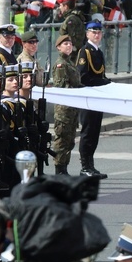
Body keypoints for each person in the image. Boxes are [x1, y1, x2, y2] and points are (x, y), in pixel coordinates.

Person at [76, 21, 111, 179]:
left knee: (95, 132)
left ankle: (91, 165)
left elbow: (101, 75)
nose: (97, 35)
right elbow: (83, 77)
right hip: (89, 97)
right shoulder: (85, 52)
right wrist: (103, 83)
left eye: (99, 32)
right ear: (87, 34)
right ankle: (85, 167)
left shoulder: (98, 52)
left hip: (98, 97)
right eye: (93, 32)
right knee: (88, 132)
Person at [52, 35, 81, 176]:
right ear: (58, 47)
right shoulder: (61, 64)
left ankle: (64, 168)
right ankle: (59, 169)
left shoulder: (69, 62)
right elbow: (62, 86)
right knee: (62, 140)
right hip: (64, 109)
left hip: (72, 108)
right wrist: (79, 91)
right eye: (65, 44)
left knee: (69, 141)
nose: (68, 46)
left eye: (70, 43)